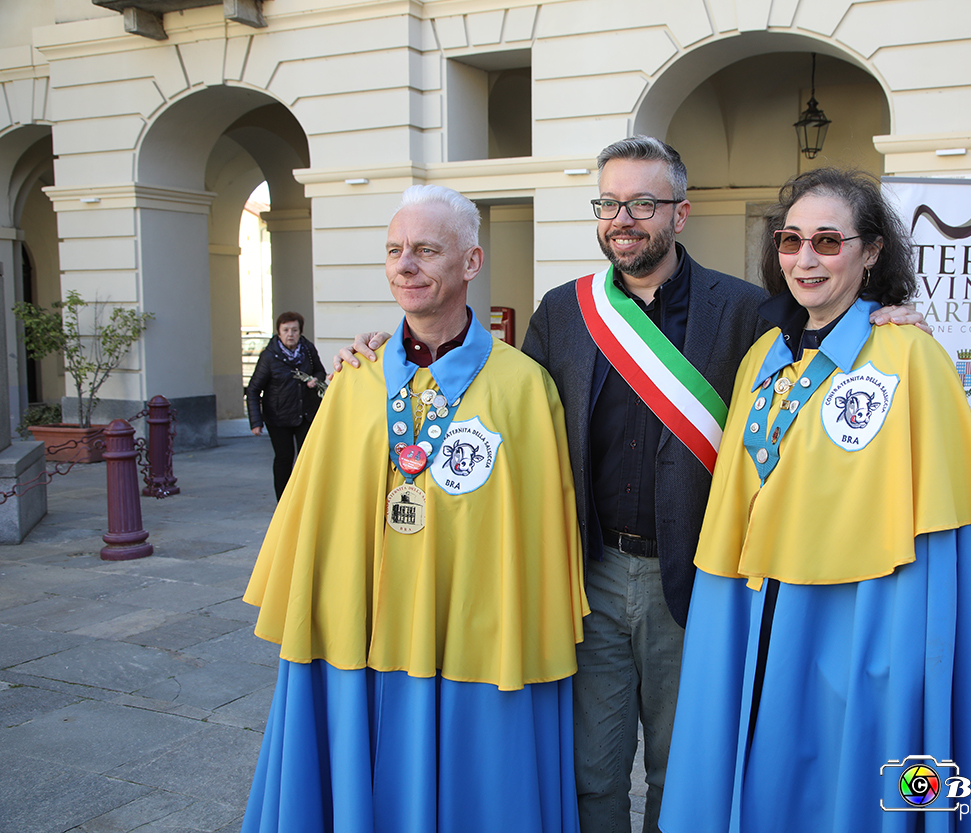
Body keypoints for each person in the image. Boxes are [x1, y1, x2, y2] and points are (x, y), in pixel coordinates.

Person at [335, 138, 928, 833]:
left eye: (643, 203)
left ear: (679, 213)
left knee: (684, 771)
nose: (624, 218)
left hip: (699, 582)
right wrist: (390, 350)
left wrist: (893, 316)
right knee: (591, 770)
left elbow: (827, 341)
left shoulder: (746, 310)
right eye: (610, 203)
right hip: (592, 577)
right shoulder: (564, 311)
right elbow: (498, 410)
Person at [658, 168, 971, 833]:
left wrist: (900, 662)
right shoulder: (763, 354)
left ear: (872, 251)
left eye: (827, 241)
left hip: (858, 622)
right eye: (791, 241)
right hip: (760, 605)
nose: (805, 259)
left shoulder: (910, 355)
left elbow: (933, 540)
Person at [241, 185, 588, 832]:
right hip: (364, 630)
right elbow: (320, 515)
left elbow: (537, 531)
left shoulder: (523, 385)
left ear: (471, 262)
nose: (406, 264)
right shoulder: (355, 379)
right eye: (396, 250)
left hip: (474, 638)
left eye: (426, 249)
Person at [245, 311, 325, 499]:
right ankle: (283, 501)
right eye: (286, 330)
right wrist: (256, 422)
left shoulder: (307, 350)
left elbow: (320, 370)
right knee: (284, 459)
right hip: (278, 416)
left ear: (300, 332)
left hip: (305, 414)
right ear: (279, 333)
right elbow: (253, 389)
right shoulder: (269, 356)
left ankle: (305, 499)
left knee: (307, 459)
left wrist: (316, 379)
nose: (291, 334)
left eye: (295, 330)